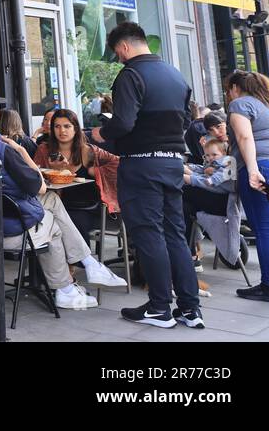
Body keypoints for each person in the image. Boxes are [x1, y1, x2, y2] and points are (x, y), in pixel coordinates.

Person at [0, 89, 125, 311]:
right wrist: (21, 150)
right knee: (53, 223)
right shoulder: (3, 149)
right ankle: (67, 287)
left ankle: (85, 269)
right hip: (10, 231)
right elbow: (39, 186)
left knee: (52, 201)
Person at [91, 22, 202, 329]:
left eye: (117, 53)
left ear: (123, 47)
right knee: (174, 234)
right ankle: (190, 309)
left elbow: (124, 123)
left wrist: (101, 133)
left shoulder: (131, 75)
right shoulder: (175, 75)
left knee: (149, 234)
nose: (119, 59)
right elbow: (187, 120)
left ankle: (160, 307)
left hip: (142, 165)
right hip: (172, 163)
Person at [224, 69, 269, 303]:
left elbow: (244, 138)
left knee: (266, 230)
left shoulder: (240, 105)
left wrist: (253, 170)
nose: (228, 95)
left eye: (229, 91)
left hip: (261, 168)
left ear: (236, 88)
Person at [33, 108, 119, 236]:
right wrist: (53, 171)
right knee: (42, 224)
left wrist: (96, 171)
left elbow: (119, 163)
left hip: (85, 207)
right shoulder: (44, 149)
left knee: (72, 223)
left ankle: (82, 257)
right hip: (52, 205)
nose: (62, 131)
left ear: (76, 128)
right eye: (57, 126)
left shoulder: (89, 151)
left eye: (67, 126)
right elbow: (33, 176)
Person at [181, 137, 232, 255]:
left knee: (184, 192)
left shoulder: (227, 164)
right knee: (185, 207)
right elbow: (203, 171)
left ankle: (189, 250)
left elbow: (210, 182)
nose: (210, 158)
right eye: (207, 155)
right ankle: (190, 251)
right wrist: (190, 169)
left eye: (214, 154)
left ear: (224, 153)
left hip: (220, 202)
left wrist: (189, 177)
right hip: (215, 199)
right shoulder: (215, 163)